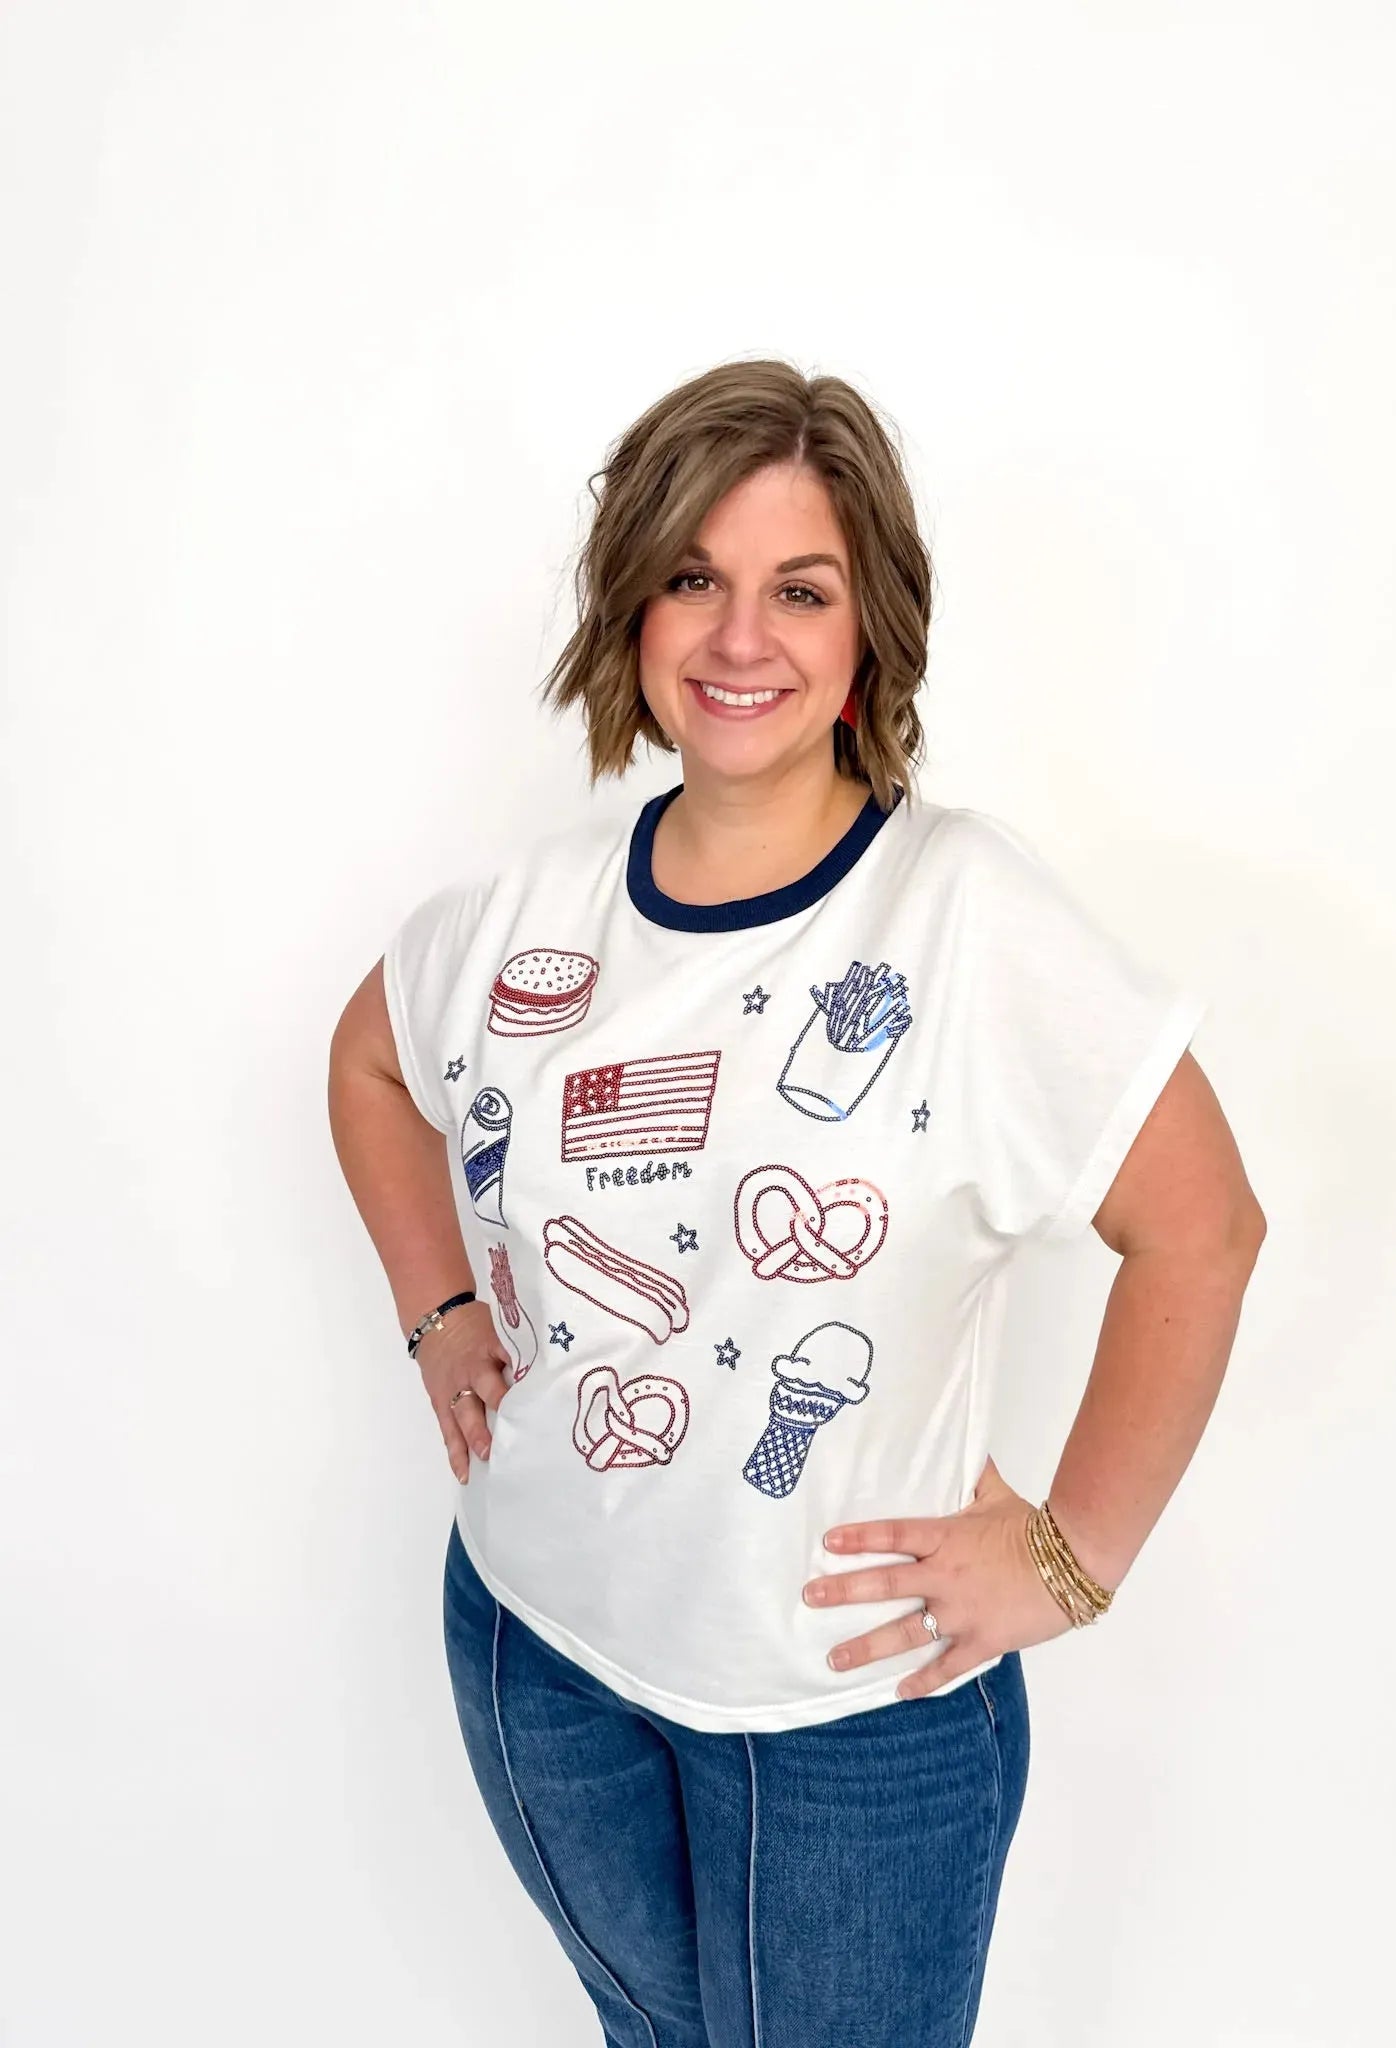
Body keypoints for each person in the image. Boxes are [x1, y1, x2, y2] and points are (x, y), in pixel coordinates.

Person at [328, 356, 1266, 2048]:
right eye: (694, 578)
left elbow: (1203, 1228)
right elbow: (370, 1064)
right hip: (539, 1650)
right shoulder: (530, 916)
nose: (739, 635)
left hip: (847, 1713)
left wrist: (1074, 1556)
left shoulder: (962, 916)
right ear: (633, 610)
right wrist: (441, 1313)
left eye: (800, 590)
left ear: (867, 630)